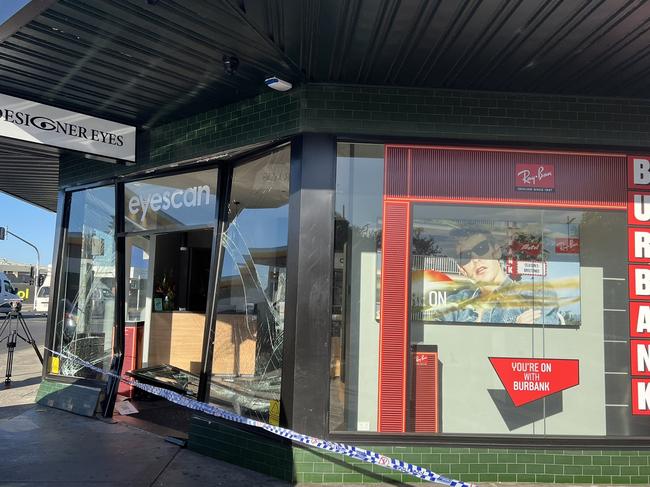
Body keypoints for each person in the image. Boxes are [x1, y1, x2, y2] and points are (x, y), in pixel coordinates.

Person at [442, 227, 559, 324]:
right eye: (466, 256)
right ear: (461, 269)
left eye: (481, 248)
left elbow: (544, 341)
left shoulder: (533, 293)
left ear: (497, 251)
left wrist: (518, 332)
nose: (475, 259)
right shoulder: (456, 304)